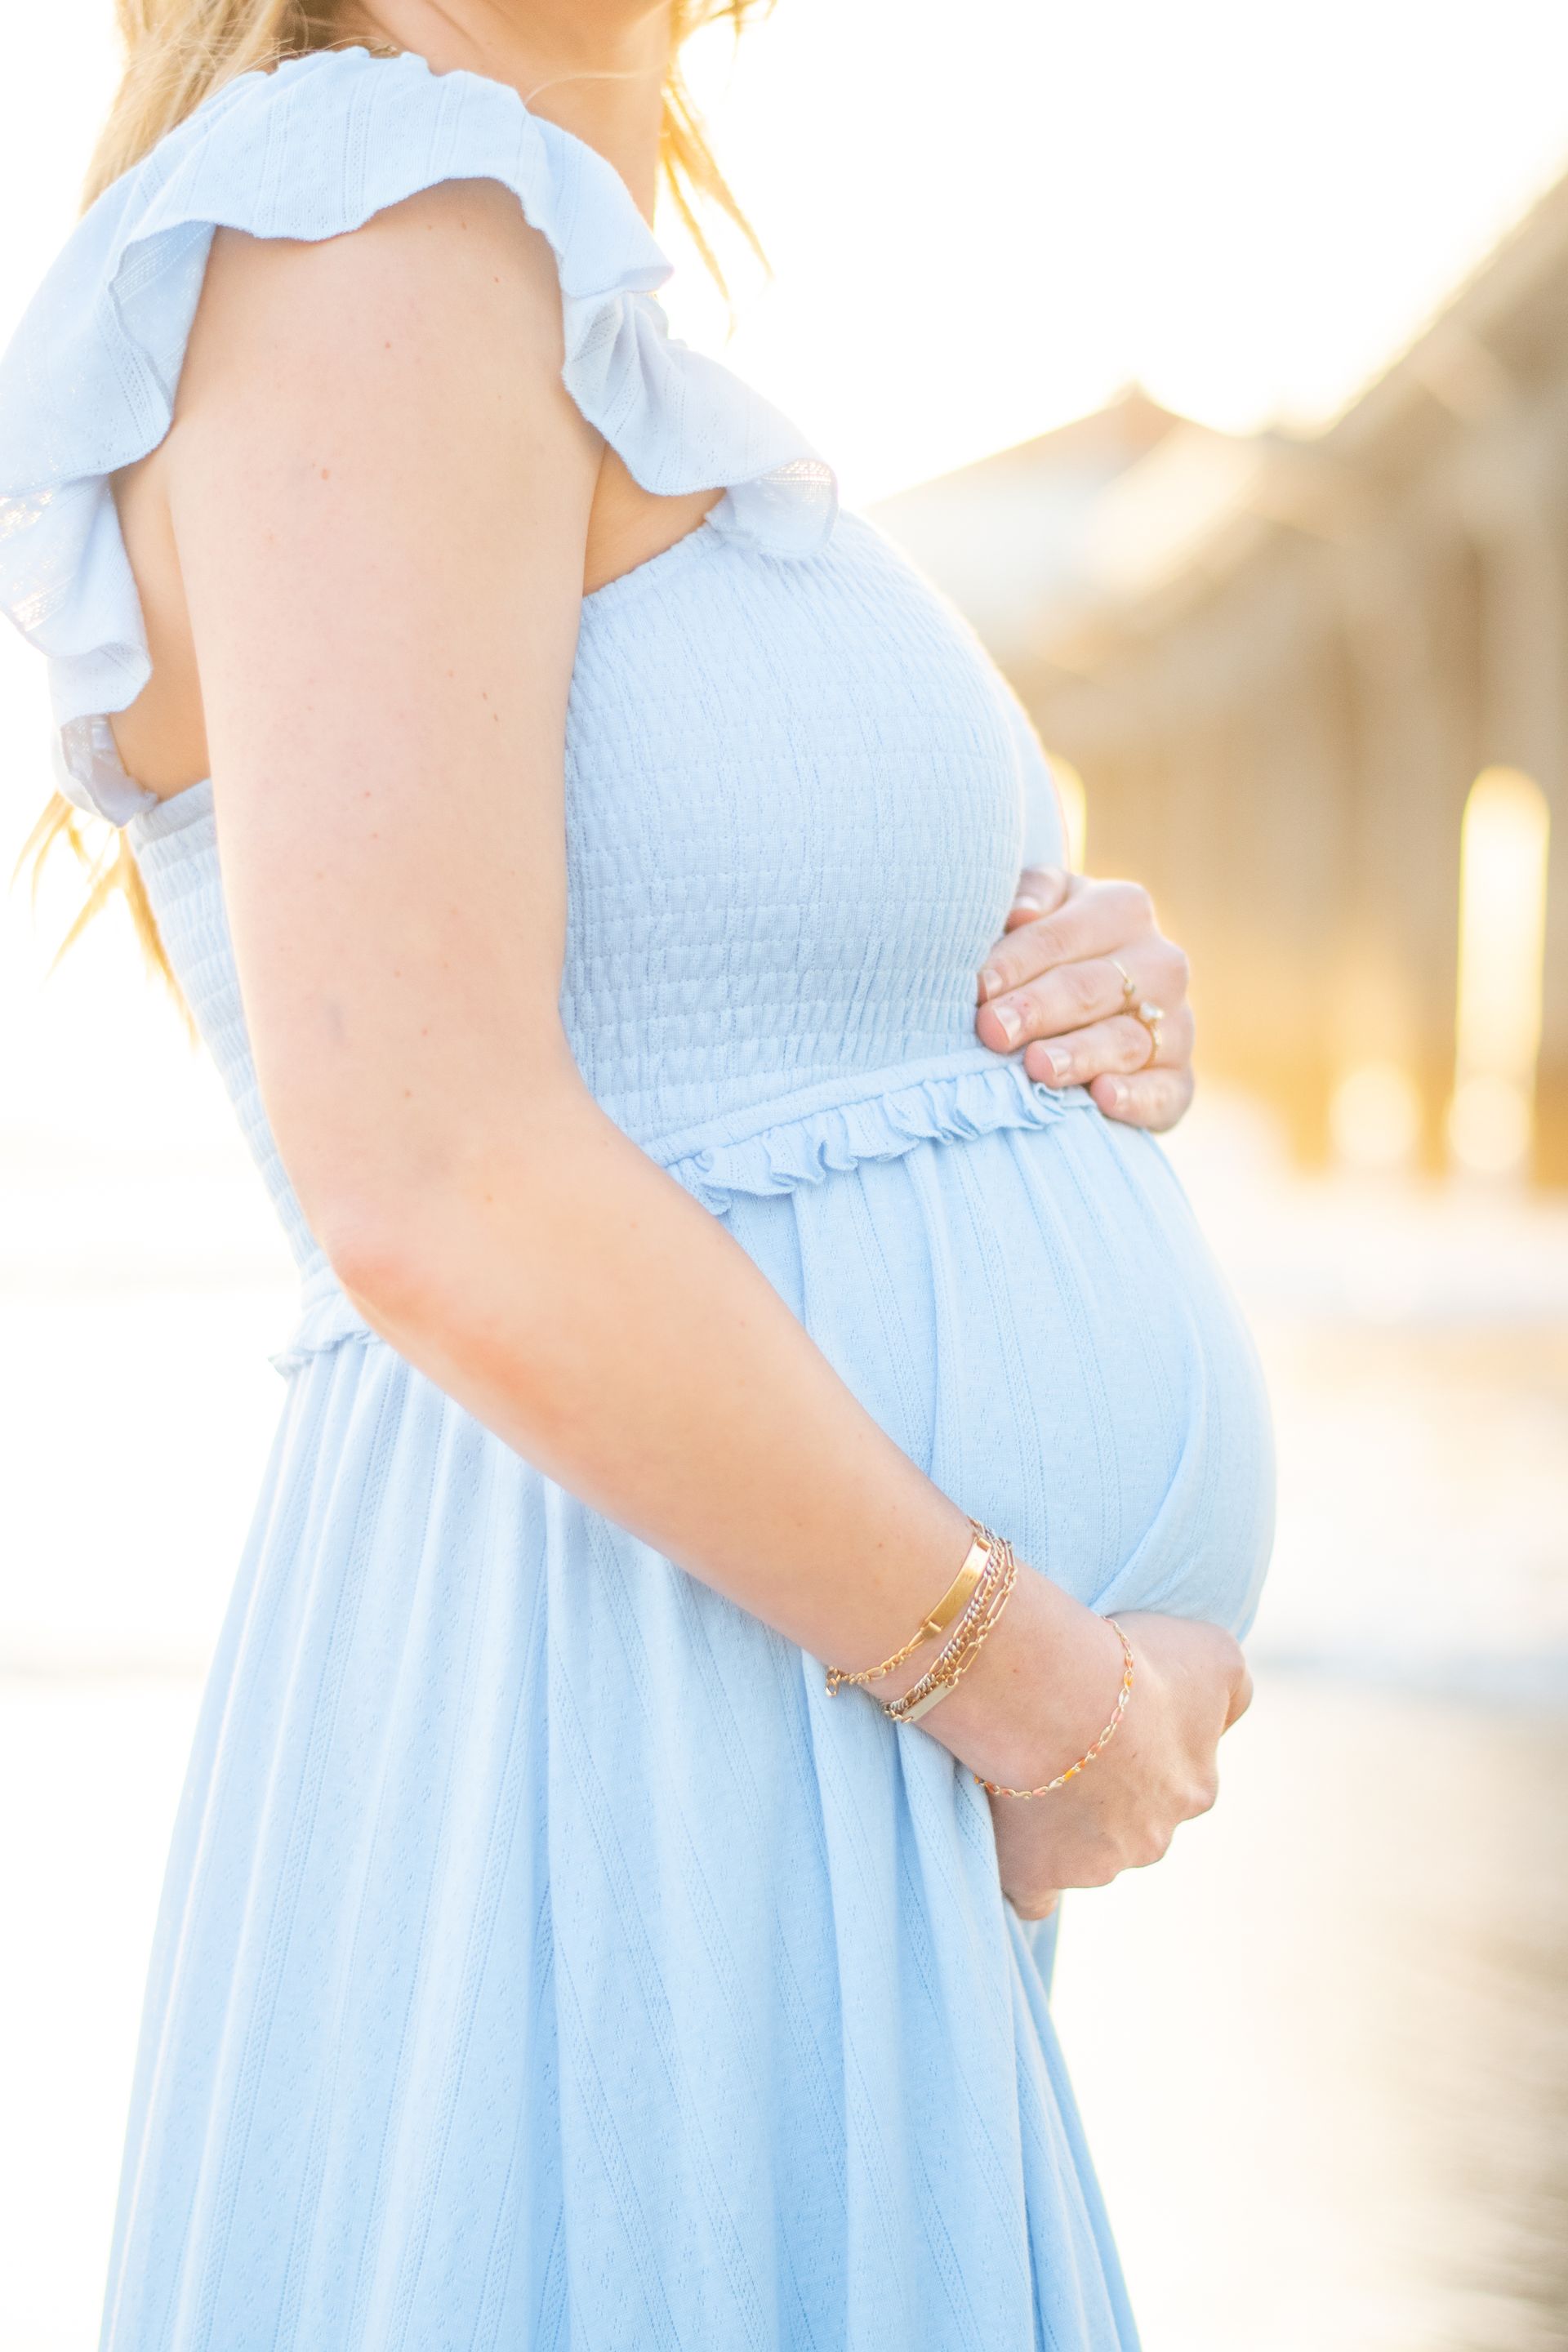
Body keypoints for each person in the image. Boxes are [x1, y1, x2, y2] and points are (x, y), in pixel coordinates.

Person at [0, 6, 1275, 2345]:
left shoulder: (521, 269)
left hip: (770, 1730)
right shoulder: (372, 226)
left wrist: (1050, 1003)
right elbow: (435, 1176)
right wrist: (1039, 1695)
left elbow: (656, 1005)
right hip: (632, 1754)